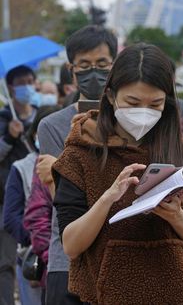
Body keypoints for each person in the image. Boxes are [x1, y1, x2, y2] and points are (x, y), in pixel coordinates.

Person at [53, 43, 183, 304]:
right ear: (110, 96)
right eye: (132, 102)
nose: (144, 112)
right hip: (105, 297)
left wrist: (176, 217)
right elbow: (71, 246)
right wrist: (107, 199)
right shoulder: (79, 156)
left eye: (156, 104)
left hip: (179, 295)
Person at [36, 25, 118, 305]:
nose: (93, 72)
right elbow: (62, 202)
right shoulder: (52, 126)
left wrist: (61, 170)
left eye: (101, 64)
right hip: (67, 262)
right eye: (84, 65)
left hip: (119, 259)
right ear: (72, 71)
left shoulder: (131, 122)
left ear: (114, 66)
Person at [3, 105, 61, 305]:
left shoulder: (73, 163)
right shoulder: (23, 167)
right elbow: (10, 218)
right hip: (35, 261)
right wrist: (39, 240)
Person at [0, 65, 38, 305]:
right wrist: (8, 138)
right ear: (11, 86)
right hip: (7, 198)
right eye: (21, 81)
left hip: (36, 195)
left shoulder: (41, 115)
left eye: (30, 80)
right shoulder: (4, 119)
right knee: (5, 261)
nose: (27, 85)